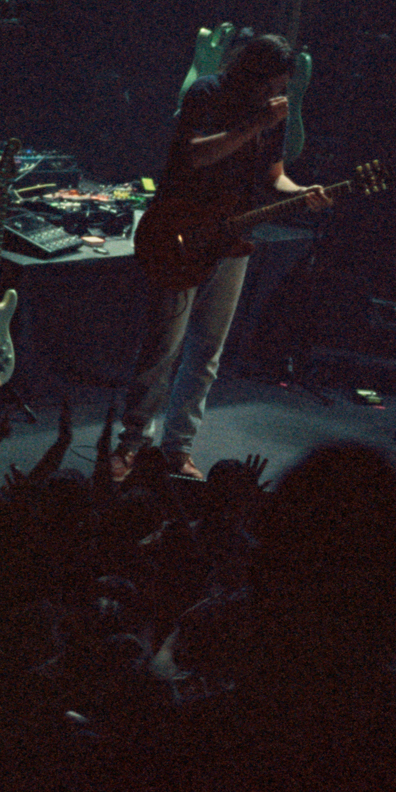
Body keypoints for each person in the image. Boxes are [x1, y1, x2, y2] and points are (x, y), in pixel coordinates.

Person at [121, 31, 330, 478]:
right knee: (164, 347)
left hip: (232, 238)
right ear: (252, 74)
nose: (277, 93)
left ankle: (178, 447)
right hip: (181, 229)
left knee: (206, 352)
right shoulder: (208, 93)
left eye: (282, 86)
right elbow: (197, 154)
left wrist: (303, 192)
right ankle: (131, 443)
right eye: (272, 83)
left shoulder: (272, 111)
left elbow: (275, 175)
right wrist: (254, 125)